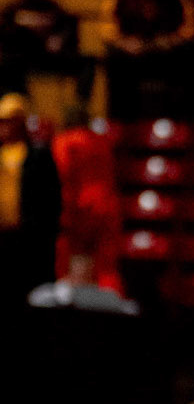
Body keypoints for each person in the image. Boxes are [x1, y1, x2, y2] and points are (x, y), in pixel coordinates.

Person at [99, 0, 194, 121]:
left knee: (191, 59)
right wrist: (125, 43)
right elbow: (107, 30)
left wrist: (169, 41)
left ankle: (183, 122)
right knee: (115, 62)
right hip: (130, 53)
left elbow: (189, 29)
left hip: (167, 53)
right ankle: (121, 122)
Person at [49, 105, 121, 291]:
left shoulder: (64, 142)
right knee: (106, 267)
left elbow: (61, 175)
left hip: (78, 207)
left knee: (68, 262)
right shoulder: (102, 141)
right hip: (107, 206)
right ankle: (112, 306)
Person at [0, 93, 61, 311]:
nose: (4, 127)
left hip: (29, 240)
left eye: (9, 120)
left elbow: (51, 199)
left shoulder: (38, 156)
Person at [0, 0, 80, 104]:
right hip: (22, 59)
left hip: (50, 58)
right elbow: (5, 34)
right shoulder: (12, 9)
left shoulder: (50, 6)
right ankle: (17, 106)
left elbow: (68, 24)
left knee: (87, 63)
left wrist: (59, 38)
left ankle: (78, 107)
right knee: (7, 65)